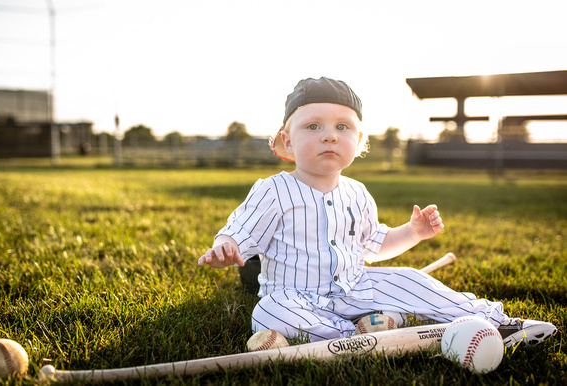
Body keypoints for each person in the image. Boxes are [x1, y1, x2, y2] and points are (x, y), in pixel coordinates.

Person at [198, 77, 556, 349]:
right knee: (268, 313)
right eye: (313, 126)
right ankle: (357, 334)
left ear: (359, 140)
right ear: (288, 141)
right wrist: (226, 247)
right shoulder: (273, 189)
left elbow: (375, 245)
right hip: (295, 295)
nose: (330, 136)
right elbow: (240, 231)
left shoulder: (357, 192)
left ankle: (500, 323)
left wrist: (413, 232)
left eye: (343, 127)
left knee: (413, 279)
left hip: (357, 287)